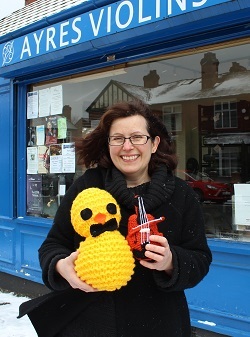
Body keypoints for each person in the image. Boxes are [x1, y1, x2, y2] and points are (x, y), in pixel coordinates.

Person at [19, 99, 212, 337]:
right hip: (89, 323)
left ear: (154, 144)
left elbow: (200, 258)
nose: (127, 146)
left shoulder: (182, 195)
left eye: (137, 137)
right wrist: (61, 265)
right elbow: (53, 244)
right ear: (109, 144)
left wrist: (171, 261)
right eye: (118, 138)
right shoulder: (88, 186)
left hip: (159, 324)